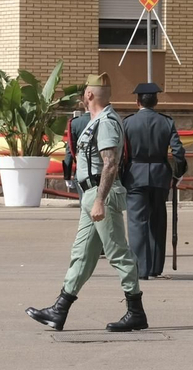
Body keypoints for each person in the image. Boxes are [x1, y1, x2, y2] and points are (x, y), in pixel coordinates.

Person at [27, 73, 146, 332]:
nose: (82, 97)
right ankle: (59, 310)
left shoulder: (106, 122)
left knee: (118, 254)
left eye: (84, 93)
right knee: (81, 254)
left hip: (100, 195)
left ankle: (136, 311)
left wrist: (100, 201)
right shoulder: (96, 121)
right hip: (90, 195)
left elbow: (111, 163)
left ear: (89, 95)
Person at [122, 82, 187, 280]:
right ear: (156, 101)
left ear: (137, 102)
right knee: (158, 221)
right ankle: (156, 267)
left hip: (135, 175)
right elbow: (178, 151)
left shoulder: (127, 122)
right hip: (160, 175)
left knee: (137, 222)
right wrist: (178, 172)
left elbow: (120, 152)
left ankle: (141, 269)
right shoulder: (166, 122)